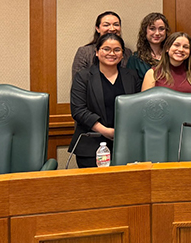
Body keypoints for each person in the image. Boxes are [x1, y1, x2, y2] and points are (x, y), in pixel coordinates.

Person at [69, 33, 141, 168]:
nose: (111, 53)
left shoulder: (132, 76)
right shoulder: (84, 77)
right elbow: (78, 110)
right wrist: (104, 130)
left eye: (117, 50)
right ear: (97, 52)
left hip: (127, 144)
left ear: (122, 54)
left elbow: (138, 108)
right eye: (106, 49)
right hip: (92, 144)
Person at [142, 31, 191, 124]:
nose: (181, 49)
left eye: (185, 47)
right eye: (176, 45)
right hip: (160, 127)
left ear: (190, 52)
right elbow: (145, 105)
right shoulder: (153, 73)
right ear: (167, 48)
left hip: (188, 126)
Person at [71, 11, 132, 77]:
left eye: (116, 25)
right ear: (97, 29)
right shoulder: (85, 52)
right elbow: (78, 80)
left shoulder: (127, 52)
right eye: (106, 25)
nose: (112, 28)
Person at [127, 12, 171, 81]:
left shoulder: (172, 55)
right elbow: (131, 86)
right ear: (145, 31)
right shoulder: (135, 59)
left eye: (161, 29)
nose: (157, 33)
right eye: (152, 28)